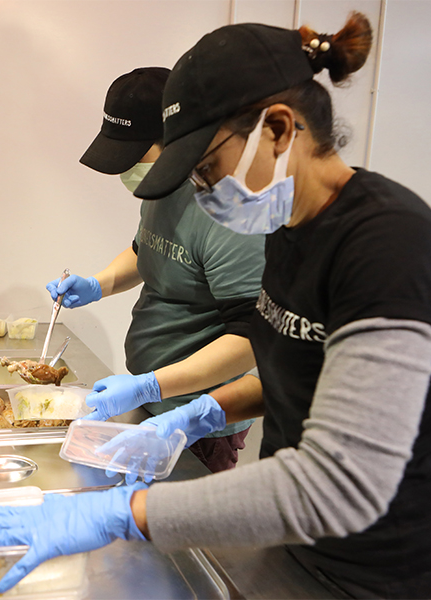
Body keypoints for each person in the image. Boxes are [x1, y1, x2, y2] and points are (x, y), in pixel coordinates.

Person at [0, 13, 431, 598]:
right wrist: (195, 411)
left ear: (279, 128)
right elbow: (293, 375)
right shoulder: (289, 231)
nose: (203, 191)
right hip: (298, 551)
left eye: (207, 169)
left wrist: (126, 512)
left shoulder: (389, 248)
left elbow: (338, 484)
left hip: (386, 577)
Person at [46, 66, 265, 473]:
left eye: (137, 154)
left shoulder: (228, 213)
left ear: (178, 139)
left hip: (196, 416)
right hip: (150, 396)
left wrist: (151, 384)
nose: (128, 169)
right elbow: (146, 249)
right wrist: (99, 283)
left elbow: (250, 337)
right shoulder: (163, 184)